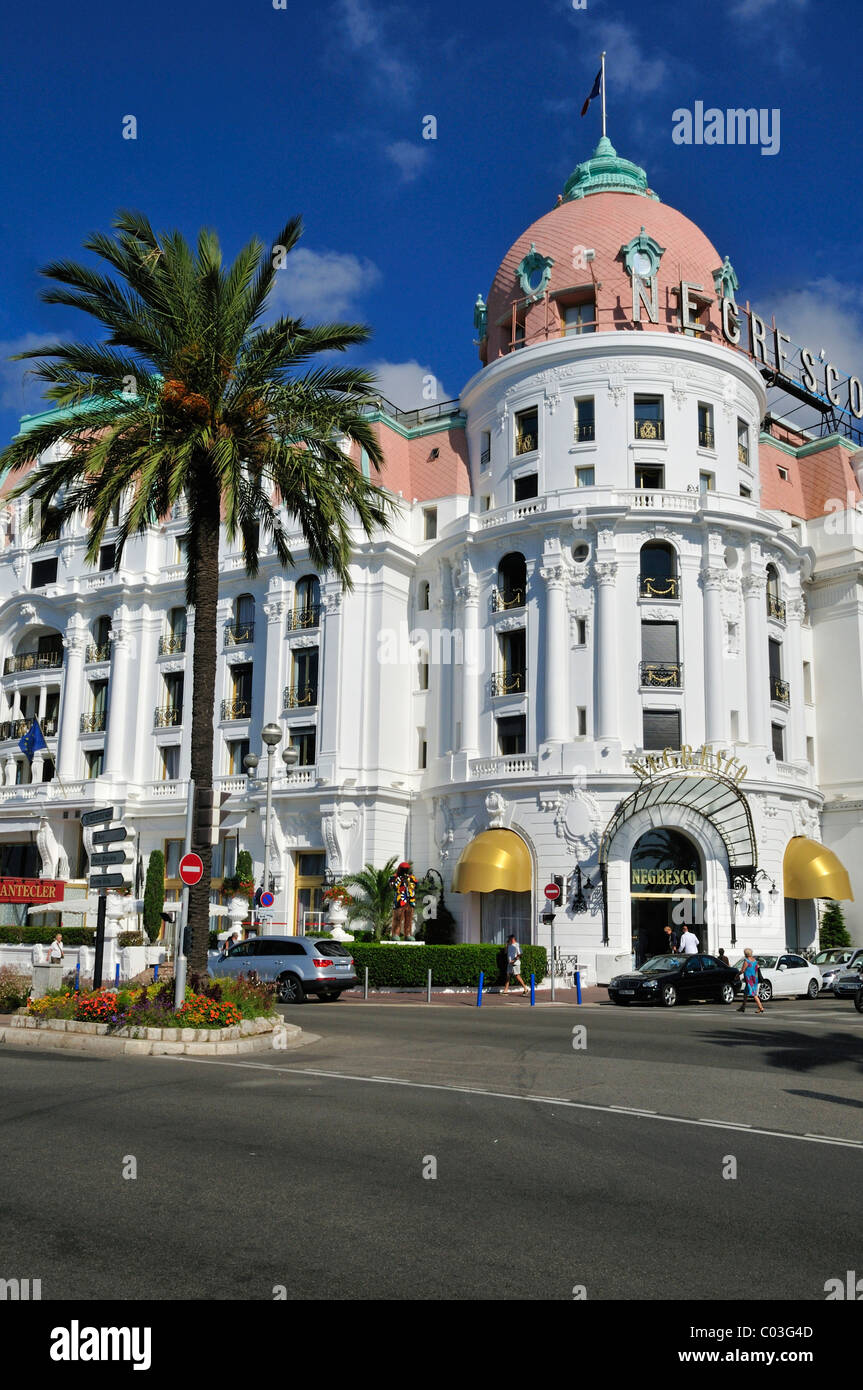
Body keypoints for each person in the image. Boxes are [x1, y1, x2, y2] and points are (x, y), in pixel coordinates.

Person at [388, 862, 417, 939]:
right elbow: (393, 886)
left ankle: (408, 935)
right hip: (400, 900)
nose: (405, 871)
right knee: (397, 918)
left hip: (410, 900)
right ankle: (395, 934)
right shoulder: (394, 877)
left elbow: (415, 885)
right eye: (403, 869)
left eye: (406, 869)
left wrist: (408, 880)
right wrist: (400, 879)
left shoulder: (412, 877)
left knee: (409, 919)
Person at [738, 948, 765, 1015]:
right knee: (745, 993)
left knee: (754, 994)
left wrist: (737, 975)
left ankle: (760, 1007)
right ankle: (743, 1007)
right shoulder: (755, 961)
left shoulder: (746, 961)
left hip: (749, 979)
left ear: (745, 954)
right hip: (754, 979)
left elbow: (743, 970)